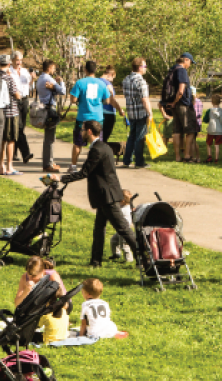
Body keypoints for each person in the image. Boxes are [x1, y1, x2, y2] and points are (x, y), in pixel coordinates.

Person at [49, 121, 146, 269]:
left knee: (123, 228)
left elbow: (84, 172)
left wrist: (61, 178)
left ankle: (143, 258)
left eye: (82, 130)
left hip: (107, 196)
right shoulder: (103, 146)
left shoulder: (97, 150)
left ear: (88, 131)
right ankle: (95, 261)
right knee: (99, 229)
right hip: (105, 195)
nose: (81, 132)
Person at [68, 61, 109, 174]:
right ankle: (98, 166)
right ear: (96, 70)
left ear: (85, 70)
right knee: (97, 143)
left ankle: (74, 166)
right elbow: (107, 100)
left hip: (83, 117)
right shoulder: (102, 84)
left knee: (78, 143)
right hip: (98, 117)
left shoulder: (80, 83)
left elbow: (73, 100)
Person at [120, 57, 155, 169]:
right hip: (140, 112)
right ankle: (139, 161)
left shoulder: (126, 79)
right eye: (144, 66)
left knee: (132, 136)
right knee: (140, 138)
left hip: (131, 112)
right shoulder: (141, 81)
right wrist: (150, 113)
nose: (145, 68)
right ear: (140, 67)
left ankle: (127, 160)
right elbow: (145, 99)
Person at [162, 53, 196, 162]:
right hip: (183, 104)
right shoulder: (181, 71)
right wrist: (176, 101)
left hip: (175, 105)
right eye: (190, 62)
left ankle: (177, 157)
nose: (189, 65)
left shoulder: (172, 69)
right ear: (185, 60)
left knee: (177, 131)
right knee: (190, 130)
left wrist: (173, 103)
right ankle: (187, 156)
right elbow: (181, 90)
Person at [35, 60, 65, 173]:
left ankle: (50, 161)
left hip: (44, 107)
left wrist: (53, 88)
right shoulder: (48, 79)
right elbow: (62, 91)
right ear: (49, 68)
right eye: (53, 68)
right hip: (49, 109)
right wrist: (61, 82)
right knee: (49, 138)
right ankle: (48, 164)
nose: (54, 70)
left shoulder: (40, 79)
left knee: (49, 137)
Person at [10, 51, 34, 164]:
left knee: (21, 127)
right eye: (17, 60)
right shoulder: (9, 71)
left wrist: (32, 79)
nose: (19, 62)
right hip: (14, 100)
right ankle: (26, 153)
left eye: (20, 60)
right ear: (12, 60)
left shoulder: (24, 72)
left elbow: (29, 85)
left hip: (24, 100)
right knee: (18, 127)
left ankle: (13, 152)